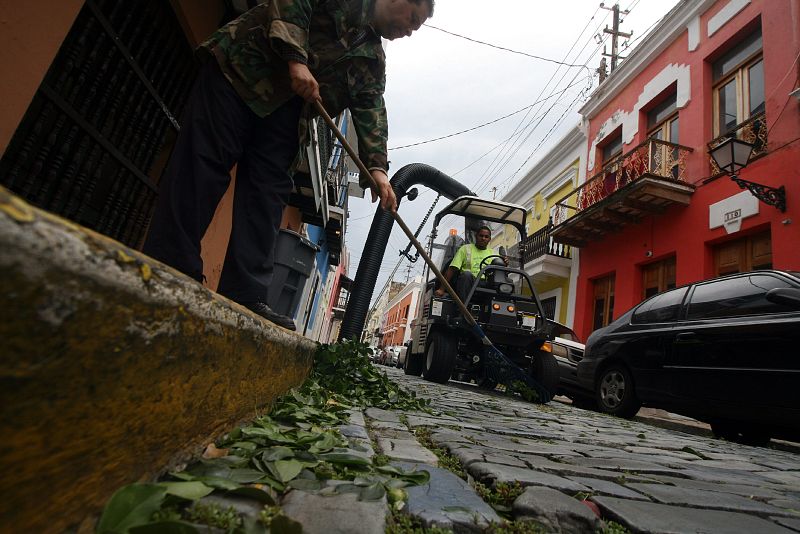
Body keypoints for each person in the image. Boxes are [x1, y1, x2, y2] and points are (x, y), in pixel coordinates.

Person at [143, 0, 434, 330]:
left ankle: (244, 293)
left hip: (286, 110)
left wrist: (378, 170)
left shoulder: (372, 59)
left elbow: (371, 109)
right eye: (412, 19)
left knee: (267, 193)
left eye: (416, 29)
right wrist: (296, 58)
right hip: (241, 72)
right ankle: (171, 264)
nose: (409, 31)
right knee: (203, 167)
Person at [434, 226, 505, 302]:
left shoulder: (493, 253)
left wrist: (504, 263)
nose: (483, 238)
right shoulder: (465, 249)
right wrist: (441, 289)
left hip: (486, 283)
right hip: (469, 282)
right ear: (476, 236)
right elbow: (452, 269)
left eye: (486, 237)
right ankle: (463, 308)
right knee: (467, 274)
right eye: (481, 236)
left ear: (489, 239)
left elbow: (499, 271)